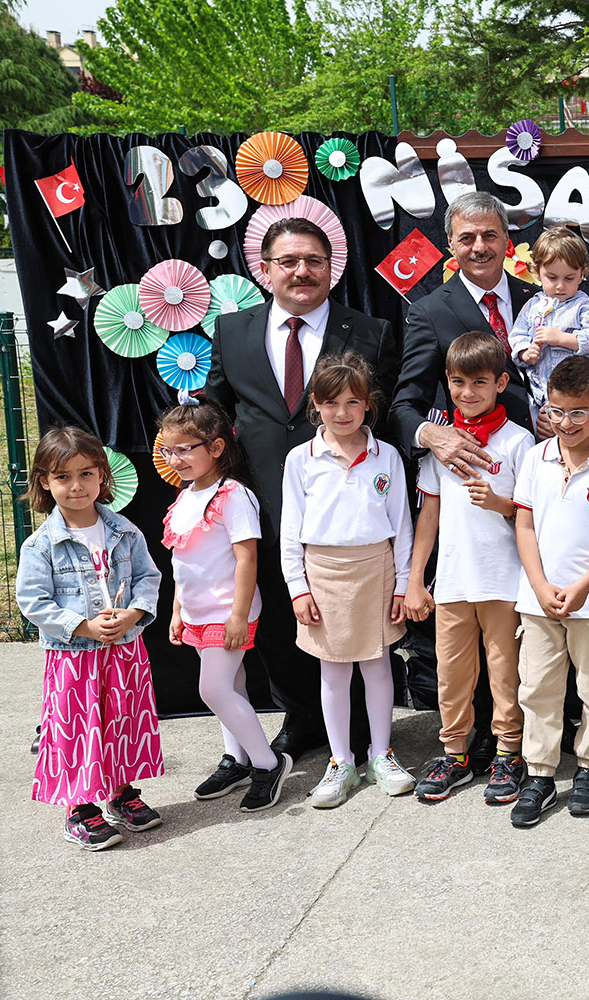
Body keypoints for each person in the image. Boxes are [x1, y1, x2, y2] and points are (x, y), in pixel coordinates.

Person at [208, 216, 399, 761]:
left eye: (314, 260)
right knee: (280, 622)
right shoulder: (233, 330)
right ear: (264, 270)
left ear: (331, 268)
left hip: (347, 516)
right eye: (288, 261)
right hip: (263, 508)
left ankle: (363, 728)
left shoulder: (369, 331)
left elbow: (380, 420)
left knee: (358, 623)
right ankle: (303, 717)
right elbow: (218, 415)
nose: (302, 271)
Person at [15, 427, 163, 851]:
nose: (76, 486)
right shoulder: (40, 544)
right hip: (73, 655)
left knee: (120, 718)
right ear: (45, 481)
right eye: (63, 477)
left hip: (124, 648)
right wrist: (83, 627)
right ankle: (79, 809)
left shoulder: (125, 531)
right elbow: (33, 601)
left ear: (102, 474)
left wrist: (133, 613)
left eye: (85, 474)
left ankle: (119, 794)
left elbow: (148, 579)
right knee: (79, 727)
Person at [404, 332, 535, 804]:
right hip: (454, 582)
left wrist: (501, 503)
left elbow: (535, 515)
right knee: (452, 674)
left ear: (502, 382)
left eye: (480, 381)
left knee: (506, 673)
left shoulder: (520, 442)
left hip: (504, 582)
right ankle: (455, 752)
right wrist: (414, 580)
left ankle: (508, 752)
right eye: (457, 382)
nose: (468, 392)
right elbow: (429, 515)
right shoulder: (443, 444)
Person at [280, 353, 416, 808]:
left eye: (353, 402)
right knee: (333, 671)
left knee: (377, 665)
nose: (342, 413)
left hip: (376, 570)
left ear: (368, 405)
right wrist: (298, 587)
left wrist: (402, 584)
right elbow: (289, 531)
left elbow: (403, 525)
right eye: (331, 402)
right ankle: (341, 762)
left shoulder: (387, 456)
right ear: (315, 405)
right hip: (322, 575)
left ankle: (382, 755)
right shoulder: (302, 459)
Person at [510, 356, 589, 826]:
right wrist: (541, 586)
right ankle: (540, 774)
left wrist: (584, 587)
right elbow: (524, 526)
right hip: (538, 602)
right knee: (539, 690)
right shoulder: (534, 458)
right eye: (557, 411)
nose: (566, 423)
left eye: (578, 413)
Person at [159, 392, 291, 811]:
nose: (176, 458)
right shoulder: (184, 498)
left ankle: (269, 764)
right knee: (231, 686)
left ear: (216, 448)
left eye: (185, 449)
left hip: (227, 611)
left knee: (213, 688)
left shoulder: (233, 495)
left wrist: (238, 614)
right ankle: (236, 758)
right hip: (197, 611)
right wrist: (179, 610)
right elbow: (182, 560)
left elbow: (246, 556)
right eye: (168, 450)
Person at [393, 192, 539, 469]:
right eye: (467, 238)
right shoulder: (430, 313)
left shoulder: (539, 300)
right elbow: (404, 407)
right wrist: (431, 434)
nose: (479, 247)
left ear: (507, 238)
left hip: (552, 461)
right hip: (483, 468)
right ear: (450, 242)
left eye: (490, 235)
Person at [509, 226, 589, 420]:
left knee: (577, 433)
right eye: (552, 277)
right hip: (542, 394)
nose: (560, 286)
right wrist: (525, 352)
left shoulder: (584, 305)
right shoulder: (532, 306)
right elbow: (517, 335)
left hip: (580, 395)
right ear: (537, 272)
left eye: (569, 278)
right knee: (548, 440)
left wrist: (563, 338)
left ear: (582, 274)